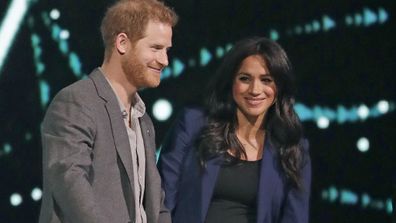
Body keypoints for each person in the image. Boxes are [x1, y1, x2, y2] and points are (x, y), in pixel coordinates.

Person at [39, 0, 178, 222]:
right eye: (156, 48)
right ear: (122, 43)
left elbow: (155, 205)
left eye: (167, 50)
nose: (164, 60)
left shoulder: (144, 120)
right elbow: (70, 184)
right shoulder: (76, 101)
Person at [158, 37, 311, 223]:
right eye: (245, 79)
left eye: (266, 80)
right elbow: (162, 199)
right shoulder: (193, 123)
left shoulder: (293, 149)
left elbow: (295, 218)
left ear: (278, 87)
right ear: (231, 81)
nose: (255, 90)